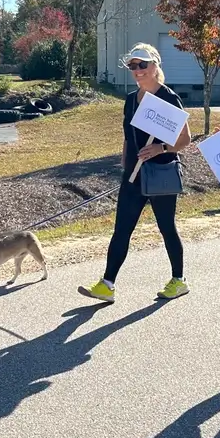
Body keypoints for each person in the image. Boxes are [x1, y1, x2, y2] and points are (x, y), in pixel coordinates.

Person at [79, 43, 192, 303]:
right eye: (133, 66)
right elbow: (128, 138)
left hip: (161, 173)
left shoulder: (168, 98)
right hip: (133, 176)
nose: (138, 70)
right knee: (122, 230)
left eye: (143, 64)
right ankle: (107, 284)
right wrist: (125, 163)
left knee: (166, 227)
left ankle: (179, 280)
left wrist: (160, 148)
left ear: (155, 66)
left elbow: (185, 138)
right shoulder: (131, 100)